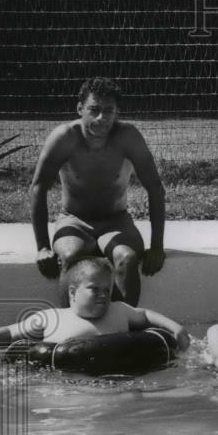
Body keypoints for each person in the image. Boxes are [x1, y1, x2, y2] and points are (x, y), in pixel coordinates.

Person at [30, 76, 166, 306]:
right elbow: (38, 187)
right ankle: (71, 331)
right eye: (94, 110)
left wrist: (157, 246)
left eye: (108, 111)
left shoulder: (128, 137)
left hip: (117, 221)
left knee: (127, 258)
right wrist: (42, 246)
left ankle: (124, 330)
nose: (101, 118)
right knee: (71, 256)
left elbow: (154, 188)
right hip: (74, 221)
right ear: (80, 108)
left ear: (117, 112)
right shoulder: (64, 138)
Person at [0, 257, 189, 360]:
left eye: (107, 289)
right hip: (69, 386)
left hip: (120, 380)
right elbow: (12, 333)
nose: (103, 294)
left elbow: (146, 315)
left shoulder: (119, 310)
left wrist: (176, 328)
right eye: (94, 288)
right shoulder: (53, 318)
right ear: (72, 292)